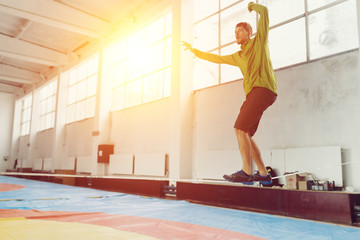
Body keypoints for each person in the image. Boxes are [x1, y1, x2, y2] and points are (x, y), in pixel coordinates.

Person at [182, 2, 277, 185]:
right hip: (254, 95)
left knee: (239, 128)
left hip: (263, 89)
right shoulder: (237, 56)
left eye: (240, 30)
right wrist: (195, 51)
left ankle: (246, 172)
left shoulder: (259, 42)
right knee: (246, 133)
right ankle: (264, 175)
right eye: (235, 32)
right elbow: (216, 58)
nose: (236, 34)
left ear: (249, 33)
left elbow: (264, 12)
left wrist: (252, 6)